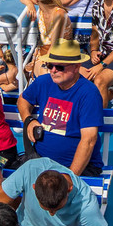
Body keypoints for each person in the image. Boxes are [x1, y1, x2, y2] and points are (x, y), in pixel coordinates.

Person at [18, 39, 105, 176]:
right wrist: (28, 120)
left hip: (75, 169)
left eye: (59, 67)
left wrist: (69, 177)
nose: (53, 70)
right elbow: (22, 100)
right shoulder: (44, 82)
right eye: (50, 65)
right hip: (40, 162)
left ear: (76, 67)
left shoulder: (89, 93)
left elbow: (89, 140)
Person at [18, 0, 71, 81]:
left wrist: (46, 65)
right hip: (43, 53)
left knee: (45, 75)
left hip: (61, 54)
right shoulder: (42, 6)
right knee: (40, 74)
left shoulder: (59, 14)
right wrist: (30, 5)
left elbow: (55, 46)